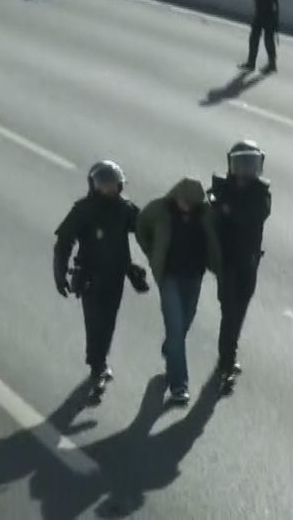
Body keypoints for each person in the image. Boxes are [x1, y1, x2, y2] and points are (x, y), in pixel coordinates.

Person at [53, 161, 149, 400]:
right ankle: (97, 368)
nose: (108, 189)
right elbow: (64, 241)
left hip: (116, 277)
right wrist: (60, 272)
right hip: (90, 278)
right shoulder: (83, 210)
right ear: (94, 186)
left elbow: (146, 228)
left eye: (112, 184)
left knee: (108, 322)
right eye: (103, 184)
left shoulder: (125, 209)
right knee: (94, 322)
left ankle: (100, 361)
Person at [135, 177, 222, 406]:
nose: (186, 205)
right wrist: (152, 254)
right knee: (175, 328)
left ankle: (170, 349)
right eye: (183, 201)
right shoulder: (160, 210)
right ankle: (179, 385)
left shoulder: (206, 215)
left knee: (185, 321)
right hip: (169, 278)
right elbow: (141, 227)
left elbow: (218, 236)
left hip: (194, 277)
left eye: (191, 203)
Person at [209, 140, 271, 395]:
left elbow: (252, 216)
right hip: (227, 264)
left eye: (250, 165)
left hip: (249, 262)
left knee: (239, 312)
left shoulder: (261, 193)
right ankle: (226, 364)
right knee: (230, 312)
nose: (245, 171)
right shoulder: (222, 189)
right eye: (240, 164)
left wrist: (225, 207)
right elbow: (213, 219)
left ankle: (227, 357)